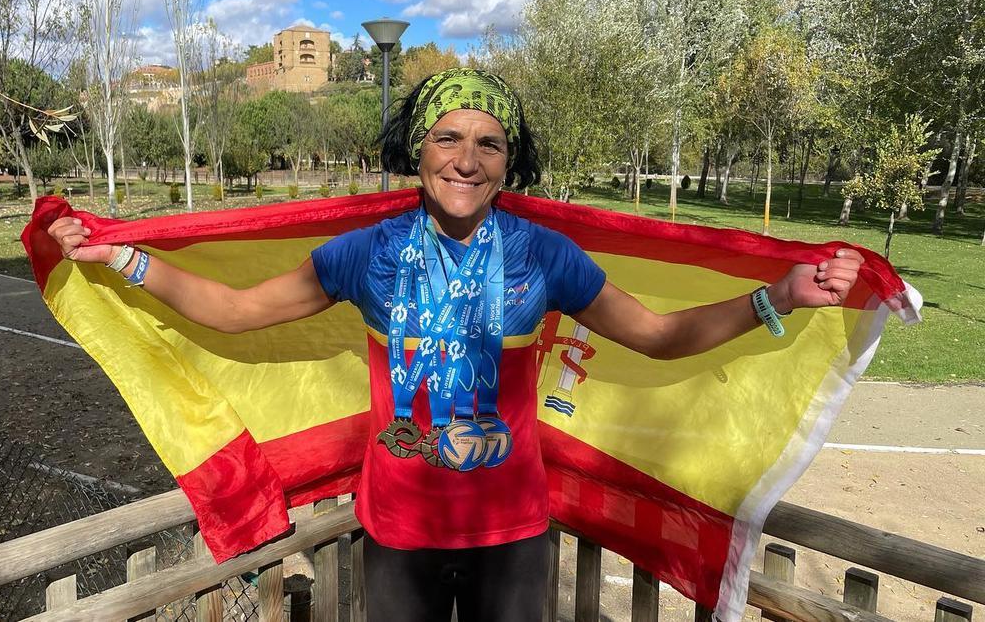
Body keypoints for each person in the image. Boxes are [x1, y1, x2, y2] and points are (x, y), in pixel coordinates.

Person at [47, 68, 864, 621]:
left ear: (511, 161)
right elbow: (231, 310)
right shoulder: (364, 252)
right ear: (419, 148)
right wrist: (121, 255)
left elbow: (658, 334)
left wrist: (776, 295)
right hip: (398, 532)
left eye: (488, 143)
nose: (466, 159)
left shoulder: (545, 254)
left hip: (512, 538)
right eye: (448, 138)